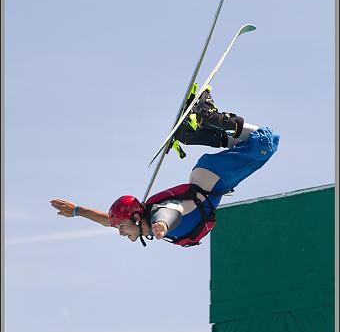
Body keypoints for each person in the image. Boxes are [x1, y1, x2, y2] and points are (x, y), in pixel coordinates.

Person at [50, 88, 280, 247]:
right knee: (258, 145)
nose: (118, 231)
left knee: (265, 143)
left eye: (121, 226)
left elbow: (171, 212)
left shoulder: (160, 213)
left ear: (137, 218)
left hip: (214, 177)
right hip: (214, 180)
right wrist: (77, 211)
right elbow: (106, 220)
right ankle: (195, 133)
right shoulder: (142, 220)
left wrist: (161, 226)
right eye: (118, 227)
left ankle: (209, 117)